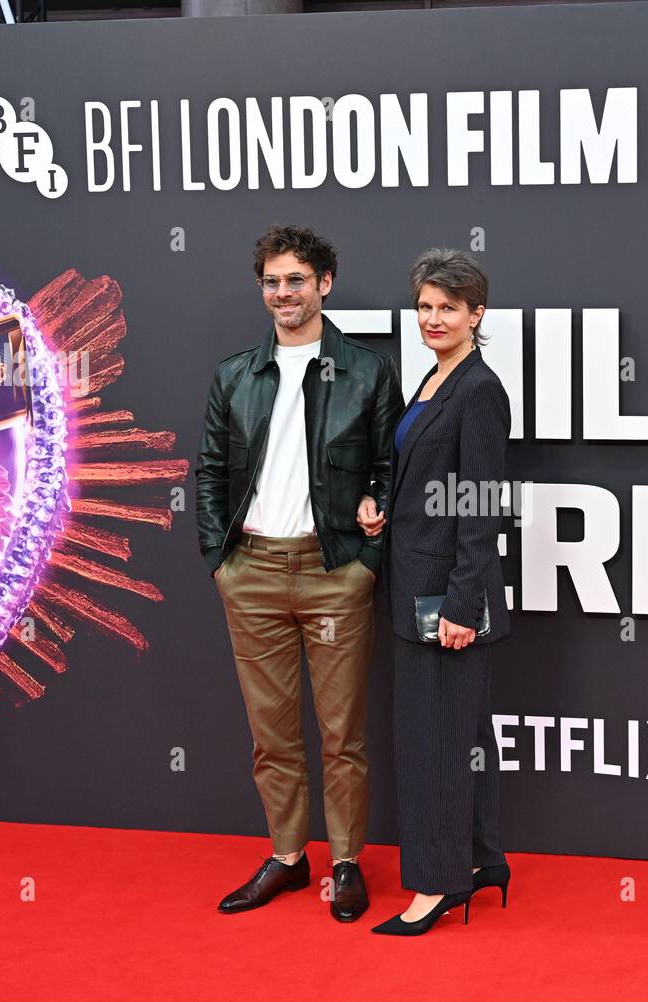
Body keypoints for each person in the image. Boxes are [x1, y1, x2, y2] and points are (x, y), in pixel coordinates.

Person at [195, 224, 403, 923]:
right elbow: (211, 475)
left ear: (325, 284)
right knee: (271, 733)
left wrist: (369, 544)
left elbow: (390, 467)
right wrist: (220, 562)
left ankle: (345, 860)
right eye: (272, 281)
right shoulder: (234, 375)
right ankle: (288, 857)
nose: (284, 292)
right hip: (250, 571)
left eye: (296, 279)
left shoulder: (368, 371)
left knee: (342, 732)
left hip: (334, 570)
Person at [367, 248, 513, 936]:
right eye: (424, 307)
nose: (432, 318)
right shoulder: (432, 375)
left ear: (476, 313)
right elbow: (426, 482)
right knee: (457, 737)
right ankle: (482, 860)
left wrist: (462, 605)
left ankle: (435, 886)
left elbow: (482, 504)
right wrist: (384, 508)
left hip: (445, 599)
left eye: (447, 308)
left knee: (433, 745)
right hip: (412, 582)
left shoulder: (479, 389)